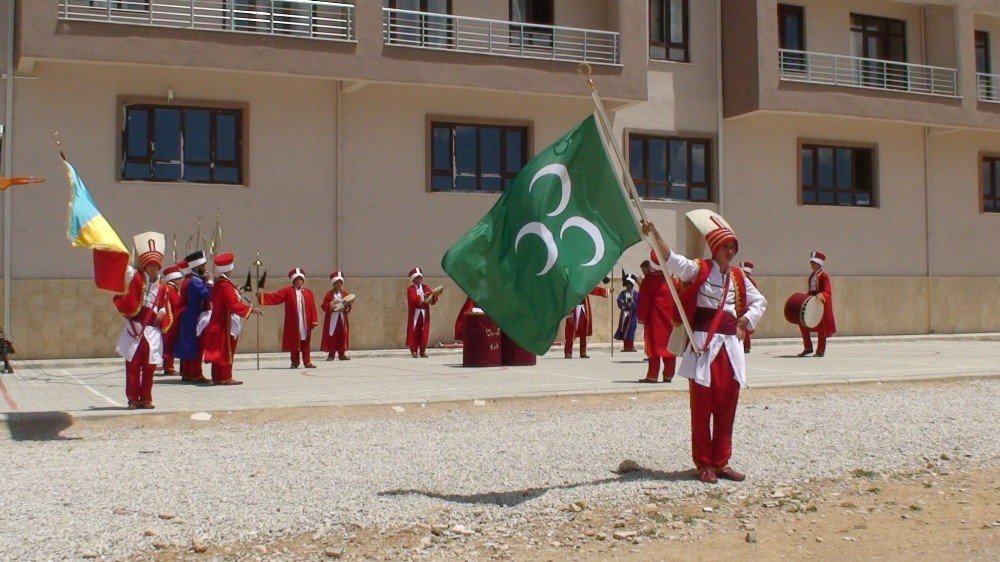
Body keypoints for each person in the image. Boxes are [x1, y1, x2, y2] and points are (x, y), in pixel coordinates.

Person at [643, 218, 767, 484]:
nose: (730, 251)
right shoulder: (699, 269)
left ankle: (722, 461)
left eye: (733, 246)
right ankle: (704, 463)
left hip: (730, 349)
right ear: (714, 247)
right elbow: (673, 260)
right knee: (702, 407)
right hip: (703, 346)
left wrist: (745, 321)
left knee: (727, 405)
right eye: (725, 246)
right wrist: (655, 235)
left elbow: (759, 301)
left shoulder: (738, 276)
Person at [112, 232, 173, 409]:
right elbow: (127, 275)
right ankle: (132, 399)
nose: (153, 267)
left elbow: (163, 305)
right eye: (150, 264)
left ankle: (146, 399)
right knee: (132, 366)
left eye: (155, 265)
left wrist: (161, 313)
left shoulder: (163, 288)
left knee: (149, 368)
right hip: (135, 329)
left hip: (152, 332)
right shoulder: (137, 279)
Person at [202, 252, 260, 385]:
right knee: (226, 350)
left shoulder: (220, 283)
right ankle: (225, 377)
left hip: (219, 320)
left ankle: (218, 376)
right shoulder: (225, 285)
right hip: (225, 322)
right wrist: (251, 310)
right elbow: (233, 304)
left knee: (220, 350)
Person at [258, 268, 319, 368]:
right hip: (294, 322)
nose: (299, 281)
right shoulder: (288, 291)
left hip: (305, 322)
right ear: (293, 281)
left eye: (300, 279)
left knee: (306, 342)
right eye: (297, 279)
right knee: (294, 342)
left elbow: (312, 307)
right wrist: (262, 297)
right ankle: (295, 362)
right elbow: (276, 297)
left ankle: (307, 362)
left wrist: (313, 320)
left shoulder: (308, 292)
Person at [636, 251, 679, 382]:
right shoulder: (673, 281)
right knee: (670, 349)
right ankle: (668, 375)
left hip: (655, 321)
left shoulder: (648, 281)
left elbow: (644, 301)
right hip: (671, 321)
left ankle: (652, 375)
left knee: (654, 349)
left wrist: (641, 317)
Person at [174, 252, 212, 384]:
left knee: (188, 345)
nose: (205, 269)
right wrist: (210, 281)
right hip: (194, 316)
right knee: (196, 346)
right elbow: (206, 295)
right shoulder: (195, 282)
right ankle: (195, 374)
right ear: (198, 267)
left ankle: (187, 372)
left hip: (188, 316)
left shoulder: (189, 279)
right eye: (203, 266)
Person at [799, 251, 836, 357]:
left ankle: (820, 350)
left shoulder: (824, 276)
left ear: (819, 264)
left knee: (822, 328)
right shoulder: (812, 276)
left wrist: (821, 296)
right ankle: (808, 347)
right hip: (812, 303)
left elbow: (827, 291)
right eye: (811, 263)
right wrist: (805, 298)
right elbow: (811, 290)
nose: (811, 265)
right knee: (802, 323)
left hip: (821, 304)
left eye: (813, 263)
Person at [564, 284, 609, 359]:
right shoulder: (570, 286)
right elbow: (567, 300)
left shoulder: (584, 284)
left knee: (583, 332)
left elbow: (594, 290)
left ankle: (583, 352)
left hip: (583, 310)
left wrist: (607, 291)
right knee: (570, 333)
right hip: (573, 311)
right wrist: (569, 314)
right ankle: (568, 352)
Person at [406, 267, 438, 358]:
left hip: (424, 313)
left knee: (424, 331)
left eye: (419, 277)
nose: (418, 280)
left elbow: (432, 301)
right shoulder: (410, 289)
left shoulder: (426, 287)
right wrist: (424, 296)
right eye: (416, 278)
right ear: (413, 280)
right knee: (414, 331)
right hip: (415, 313)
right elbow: (413, 299)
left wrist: (434, 296)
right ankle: (414, 351)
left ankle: (423, 350)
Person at [320, 271, 352, 361]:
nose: (338, 284)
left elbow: (349, 306)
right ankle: (331, 354)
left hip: (341, 318)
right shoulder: (329, 294)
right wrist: (332, 304)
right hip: (332, 318)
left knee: (342, 335)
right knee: (332, 335)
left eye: (340, 283)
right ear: (333, 284)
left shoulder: (345, 294)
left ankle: (342, 354)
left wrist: (346, 306)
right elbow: (324, 306)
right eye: (336, 283)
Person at [159, 264, 184, 375]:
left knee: (170, 344)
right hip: (171, 321)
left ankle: (169, 365)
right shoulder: (170, 289)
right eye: (179, 278)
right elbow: (175, 304)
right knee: (168, 345)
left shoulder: (173, 289)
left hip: (175, 320)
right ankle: (168, 367)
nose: (180, 280)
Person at [614, 274, 639, 352]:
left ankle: (631, 346)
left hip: (632, 315)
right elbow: (619, 301)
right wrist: (623, 303)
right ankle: (626, 347)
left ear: (632, 285)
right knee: (624, 329)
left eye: (629, 284)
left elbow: (639, 303)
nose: (628, 286)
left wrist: (632, 304)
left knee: (631, 330)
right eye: (627, 284)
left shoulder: (635, 293)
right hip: (625, 314)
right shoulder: (623, 293)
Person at [740, 261, 758, 354]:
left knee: (746, 327)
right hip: (741, 305)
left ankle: (746, 346)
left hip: (747, 306)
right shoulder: (741, 280)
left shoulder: (751, 282)